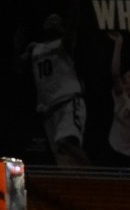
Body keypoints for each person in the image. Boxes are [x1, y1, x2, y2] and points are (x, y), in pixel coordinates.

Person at [21, 14, 87, 165]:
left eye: (57, 19)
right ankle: (82, 184)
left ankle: (99, 181)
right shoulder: (34, 48)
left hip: (68, 103)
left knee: (66, 144)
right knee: (64, 161)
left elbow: (73, 24)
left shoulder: (64, 44)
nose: (51, 19)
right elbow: (18, 67)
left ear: (62, 27)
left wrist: (73, 0)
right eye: (49, 18)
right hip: (48, 111)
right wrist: (16, 46)